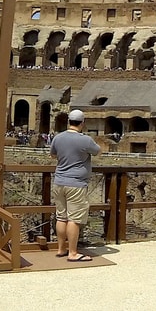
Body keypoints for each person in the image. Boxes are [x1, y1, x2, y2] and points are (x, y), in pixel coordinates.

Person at [50, 109, 101, 261]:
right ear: (82, 123)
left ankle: (60, 249)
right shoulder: (85, 140)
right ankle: (73, 253)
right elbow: (98, 151)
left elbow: (53, 155)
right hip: (76, 184)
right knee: (74, 219)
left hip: (59, 181)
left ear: (68, 122)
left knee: (61, 217)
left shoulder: (58, 138)